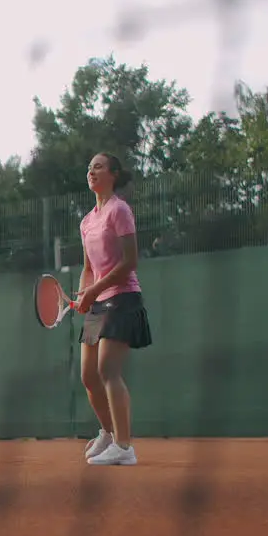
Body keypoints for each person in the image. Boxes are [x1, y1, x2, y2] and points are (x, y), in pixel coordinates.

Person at [76, 152, 152, 466]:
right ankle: (107, 432)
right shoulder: (86, 221)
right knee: (88, 377)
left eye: (98, 166)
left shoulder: (119, 210)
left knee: (108, 370)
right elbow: (88, 267)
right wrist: (85, 292)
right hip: (98, 301)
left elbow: (129, 261)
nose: (91, 171)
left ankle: (124, 446)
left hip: (122, 297)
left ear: (114, 175)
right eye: (89, 166)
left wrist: (94, 290)